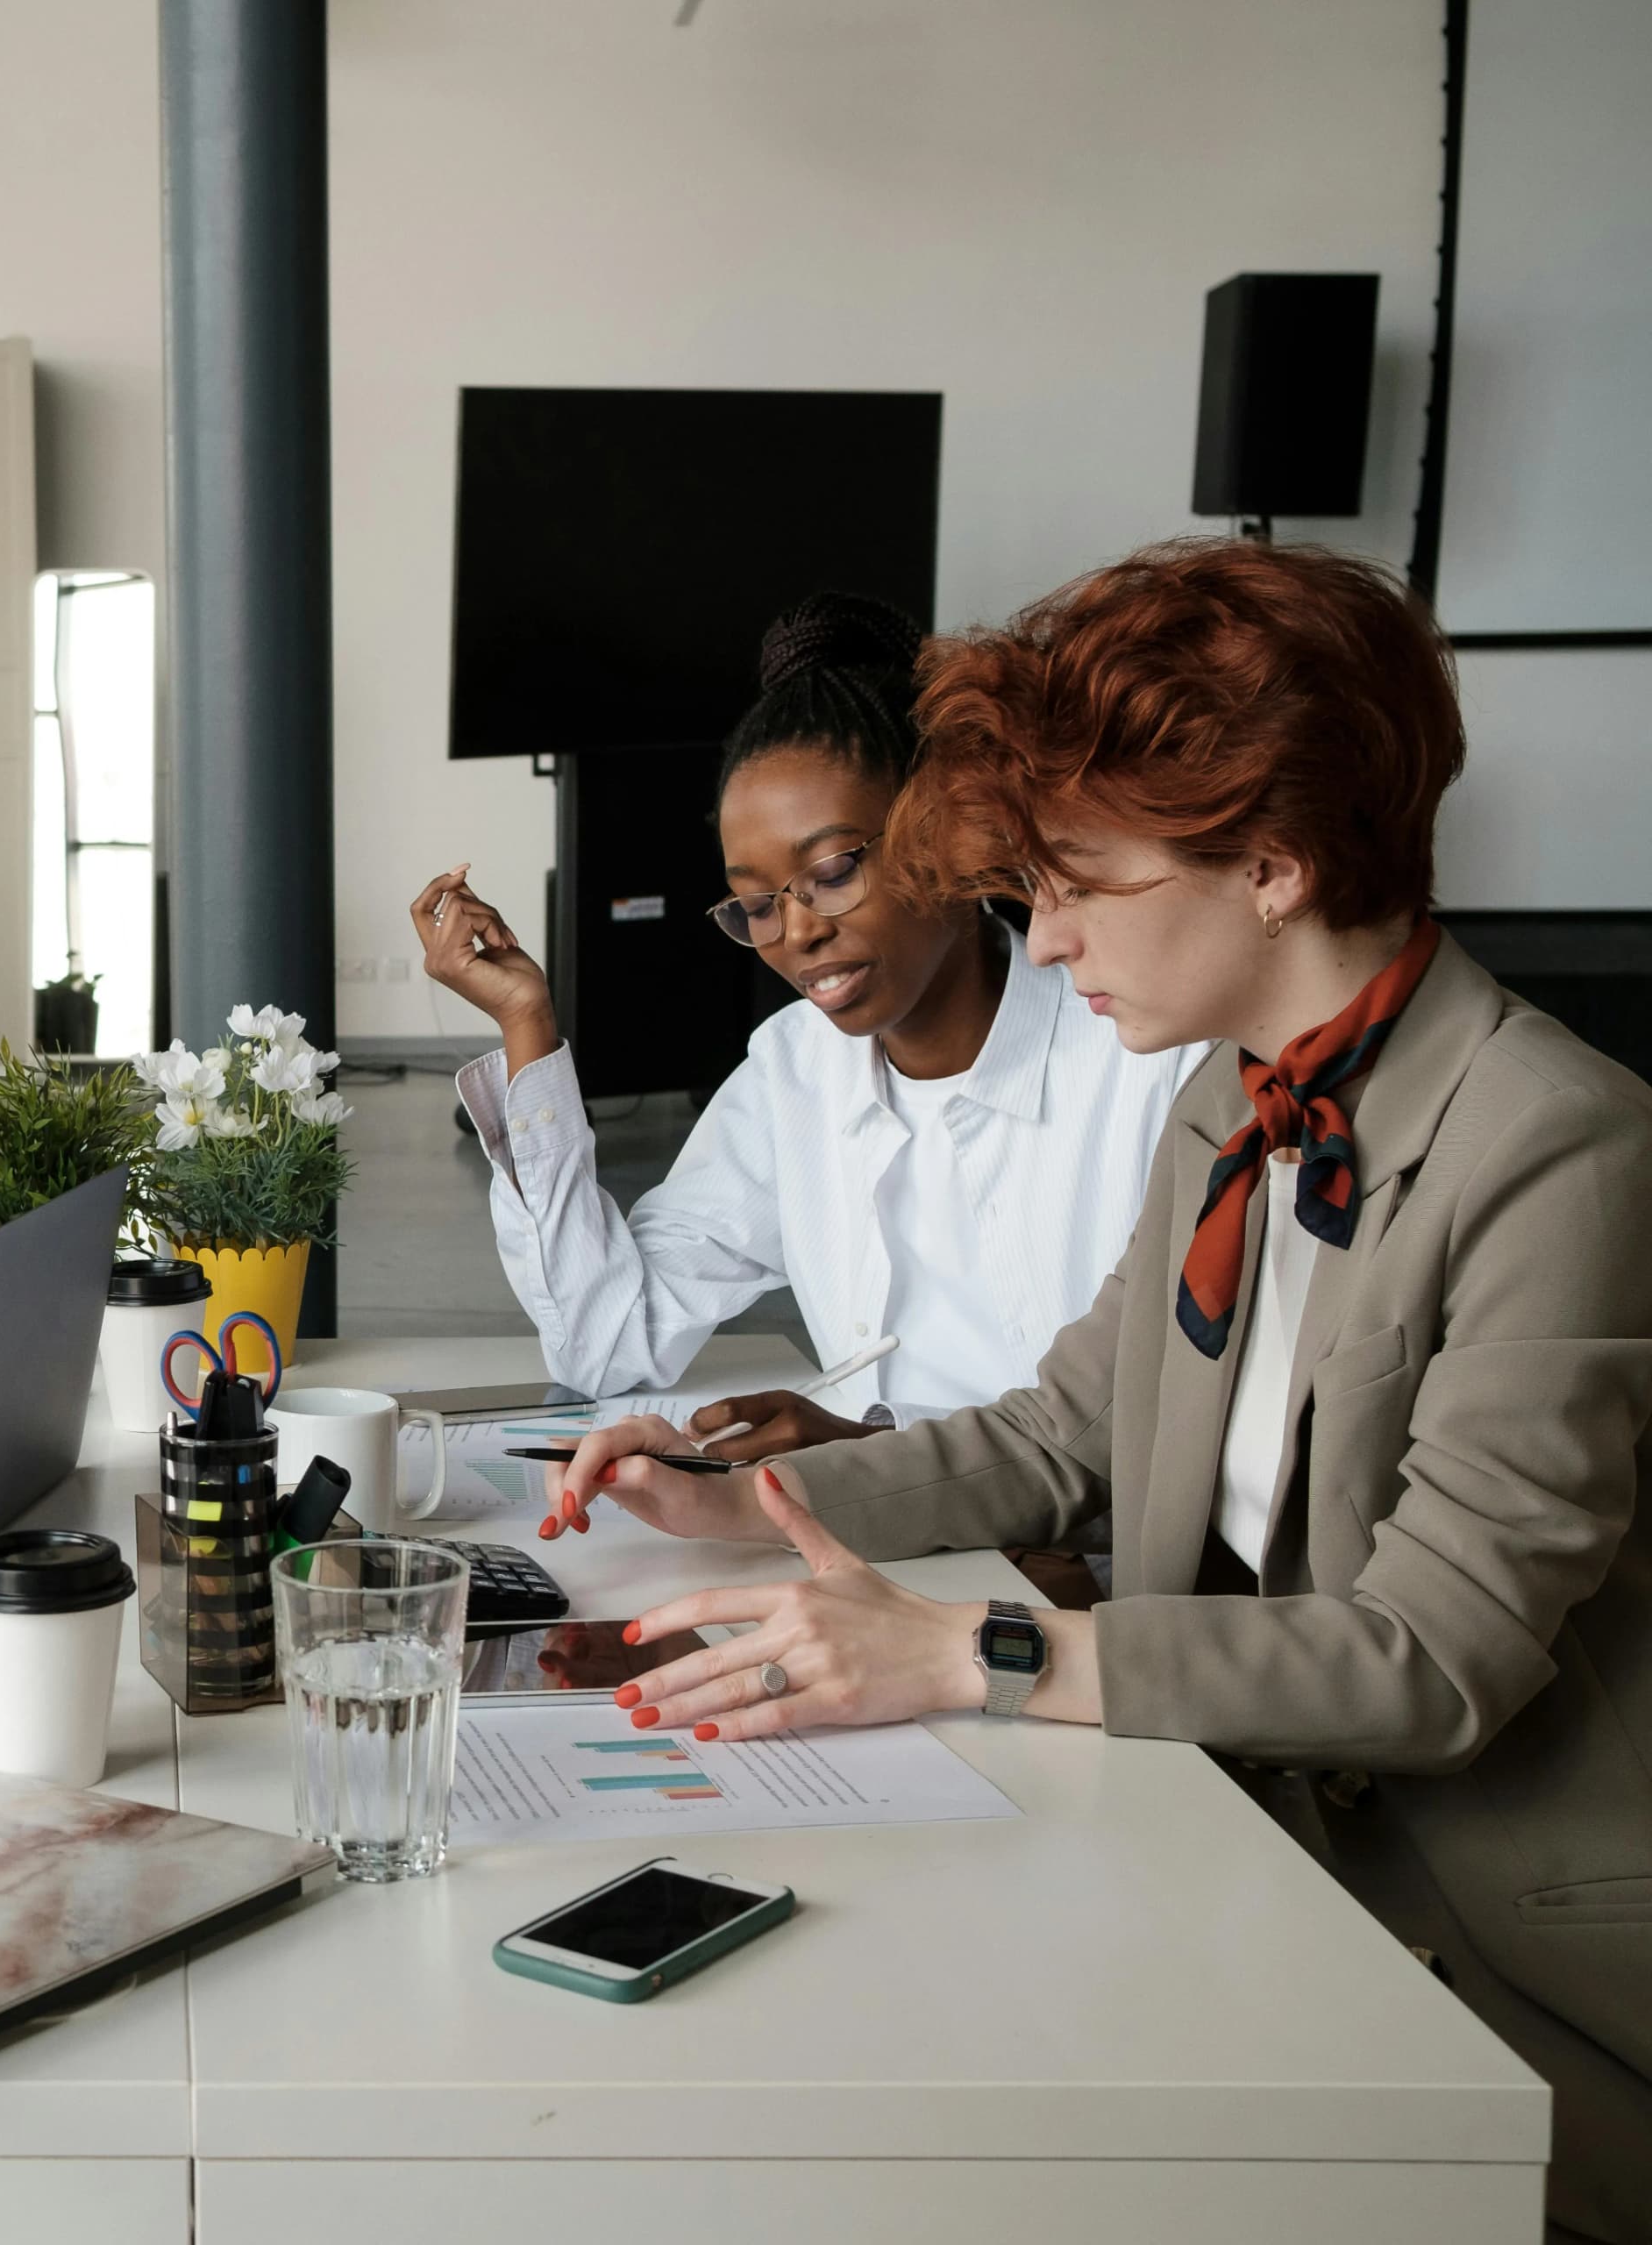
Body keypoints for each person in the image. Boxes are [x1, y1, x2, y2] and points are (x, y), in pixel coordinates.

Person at [552, 540, 1652, 2242]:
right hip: (1214, 1826)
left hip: (1482, 1941)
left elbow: (1431, 1661)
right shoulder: (1232, 1093)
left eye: (1080, 881)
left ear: (1272, 863)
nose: (1044, 935)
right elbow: (1066, 1429)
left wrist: (974, 1651)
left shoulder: (1557, 1145)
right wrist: (737, 1501)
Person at [417, 594, 1202, 1470]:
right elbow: (606, 1344)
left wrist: (876, 1456)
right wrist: (527, 1022)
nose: (794, 931)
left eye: (831, 872)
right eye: (756, 903)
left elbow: (1180, 1434)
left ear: (953, 832)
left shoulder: (1147, 1060)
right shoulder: (796, 1070)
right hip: (876, 1552)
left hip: (1081, 1583)